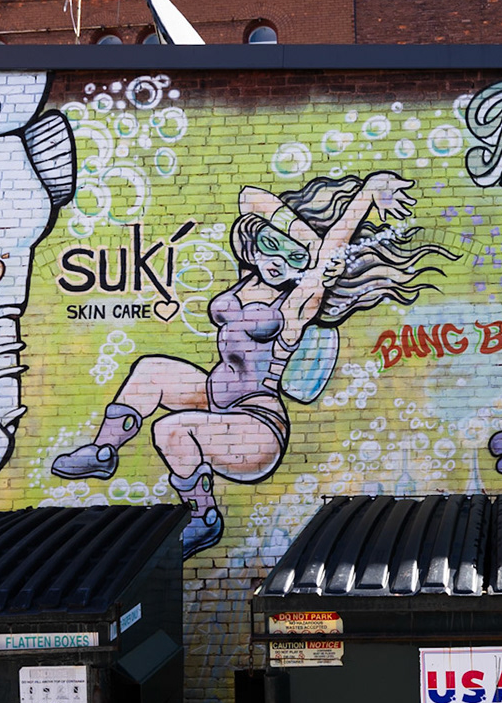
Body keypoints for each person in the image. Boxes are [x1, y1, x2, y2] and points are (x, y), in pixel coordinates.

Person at [50, 172, 449, 555]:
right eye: (271, 245)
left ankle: (204, 517)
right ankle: (102, 453)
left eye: (293, 257)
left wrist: (362, 199)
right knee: (151, 370)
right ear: (256, 241)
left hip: (255, 425)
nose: (278, 261)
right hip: (216, 398)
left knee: (171, 431)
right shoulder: (250, 276)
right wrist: (303, 239)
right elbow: (250, 198)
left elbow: (331, 251)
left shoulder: (295, 303)